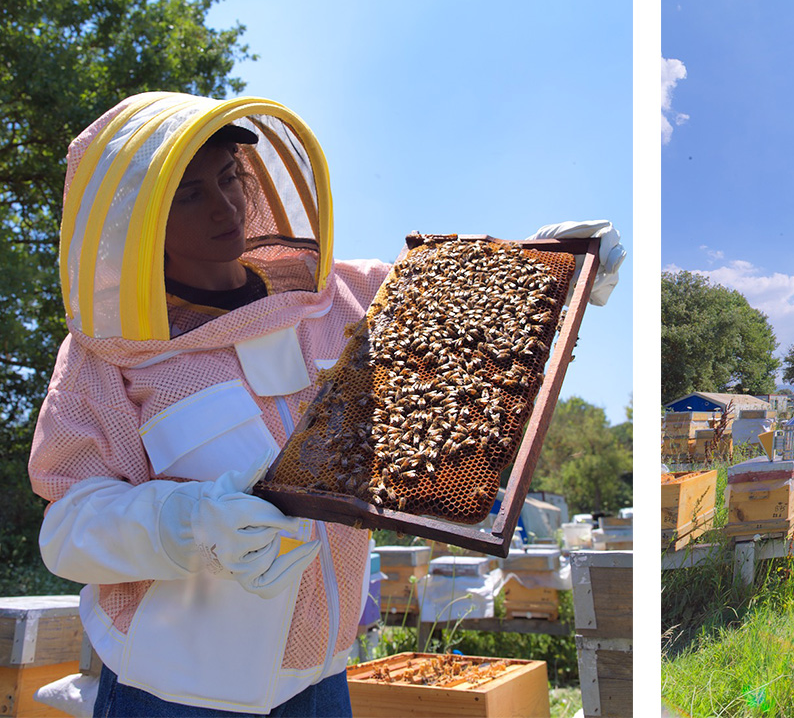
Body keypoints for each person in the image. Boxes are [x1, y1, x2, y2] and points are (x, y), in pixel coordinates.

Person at [28, 92, 625, 717]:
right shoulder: (106, 353)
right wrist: (193, 522)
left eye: (231, 176)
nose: (227, 205)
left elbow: (467, 323)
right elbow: (67, 532)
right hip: (173, 692)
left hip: (321, 680)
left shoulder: (347, 295)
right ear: (141, 221)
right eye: (190, 195)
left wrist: (553, 267)